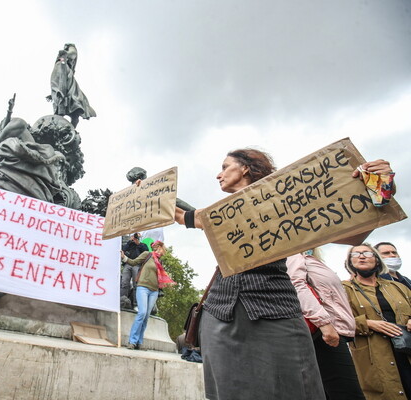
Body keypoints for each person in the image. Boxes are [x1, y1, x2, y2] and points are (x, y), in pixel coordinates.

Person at [174, 149, 389, 399]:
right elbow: (180, 214)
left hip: (275, 310)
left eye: (225, 166)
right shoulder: (218, 214)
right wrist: (147, 195)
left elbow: (354, 232)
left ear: (245, 168)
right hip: (220, 312)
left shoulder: (287, 203)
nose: (218, 174)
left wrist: (379, 188)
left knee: (293, 388)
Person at [286, 249, 365, 399]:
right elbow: (296, 285)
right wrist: (324, 324)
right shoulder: (294, 254)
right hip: (324, 332)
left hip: (331, 330)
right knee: (347, 393)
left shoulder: (309, 258)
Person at [342, 243, 411, 399]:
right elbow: (338, 321)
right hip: (375, 356)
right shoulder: (344, 289)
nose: (361, 256)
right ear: (350, 263)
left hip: (407, 349)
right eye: (355, 254)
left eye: (367, 253)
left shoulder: (397, 287)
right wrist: (368, 323)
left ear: (377, 260)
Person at [121, 240, 173, 349]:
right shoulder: (147, 255)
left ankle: (139, 342)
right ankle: (132, 341)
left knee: (146, 317)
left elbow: (160, 277)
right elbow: (134, 262)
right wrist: (124, 257)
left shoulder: (160, 262)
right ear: (158, 248)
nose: (164, 252)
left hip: (154, 290)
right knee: (142, 313)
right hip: (143, 287)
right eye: (163, 250)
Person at [120, 232, 149, 304]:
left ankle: (136, 303)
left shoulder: (142, 245)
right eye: (134, 236)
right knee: (124, 282)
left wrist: (138, 243)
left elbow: (146, 252)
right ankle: (122, 300)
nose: (135, 237)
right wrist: (130, 241)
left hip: (137, 265)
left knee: (136, 284)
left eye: (137, 236)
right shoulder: (130, 244)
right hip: (127, 264)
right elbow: (123, 250)